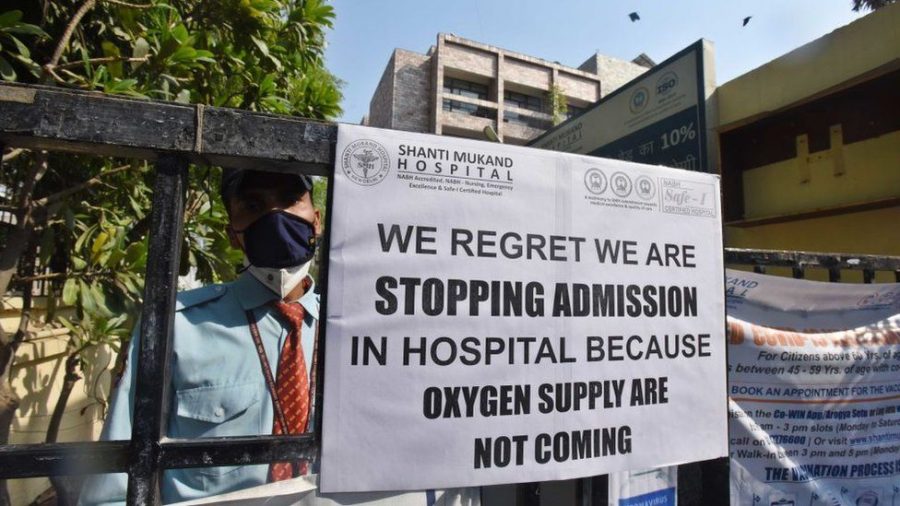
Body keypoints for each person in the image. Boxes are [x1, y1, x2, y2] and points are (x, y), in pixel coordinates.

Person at [80, 169, 324, 504]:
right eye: (253, 205)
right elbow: (114, 488)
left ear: (317, 220)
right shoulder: (177, 326)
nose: (275, 217)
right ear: (233, 234)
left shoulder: (355, 331)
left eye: (289, 200)